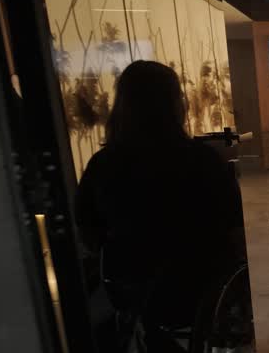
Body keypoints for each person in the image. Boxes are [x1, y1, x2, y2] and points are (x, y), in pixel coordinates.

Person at [75, 60, 243, 322]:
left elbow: (88, 234)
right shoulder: (202, 161)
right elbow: (233, 228)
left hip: (131, 293)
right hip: (202, 292)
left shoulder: (104, 165)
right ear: (175, 104)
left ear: (122, 106)